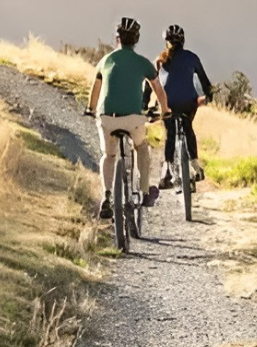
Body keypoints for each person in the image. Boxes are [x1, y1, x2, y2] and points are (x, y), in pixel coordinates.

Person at [87, 17, 172, 219]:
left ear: (118, 39)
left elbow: (96, 89)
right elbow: (158, 90)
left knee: (109, 156)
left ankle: (107, 196)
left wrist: (91, 109)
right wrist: (165, 110)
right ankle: (143, 192)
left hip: (107, 118)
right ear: (136, 39)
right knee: (142, 147)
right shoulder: (143, 63)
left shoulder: (105, 60)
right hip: (133, 119)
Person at [156, 24, 214, 189]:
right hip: (189, 102)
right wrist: (209, 96)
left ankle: (166, 171)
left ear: (166, 42)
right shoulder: (192, 57)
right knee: (188, 127)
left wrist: (145, 103)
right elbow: (205, 81)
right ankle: (195, 165)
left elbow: (150, 85)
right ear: (183, 41)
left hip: (168, 103)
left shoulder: (161, 59)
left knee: (170, 133)